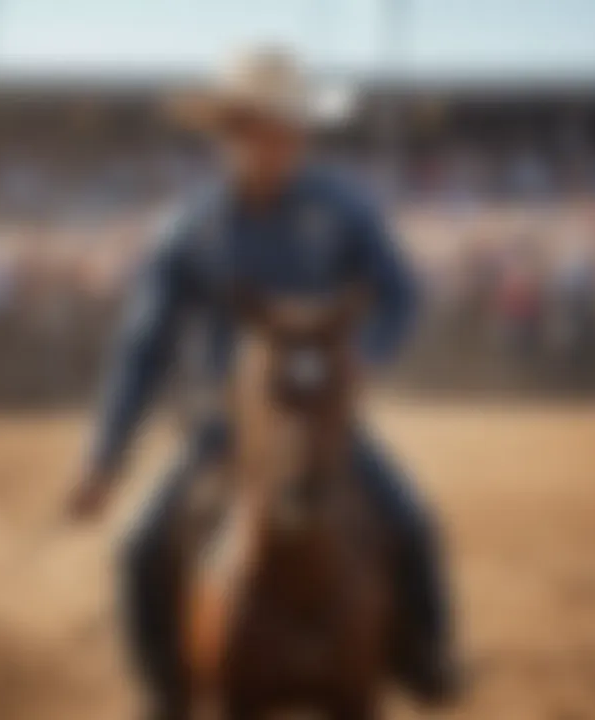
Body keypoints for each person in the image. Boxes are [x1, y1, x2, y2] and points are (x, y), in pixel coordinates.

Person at [67, 48, 460, 713]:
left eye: (288, 127)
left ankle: (426, 659)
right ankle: (166, 691)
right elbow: (143, 346)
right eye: (259, 126)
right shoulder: (189, 230)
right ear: (229, 131)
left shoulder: (344, 210)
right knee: (138, 545)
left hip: (323, 425)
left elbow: (399, 293)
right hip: (221, 428)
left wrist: (366, 354)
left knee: (414, 521)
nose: (278, 143)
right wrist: (105, 455)